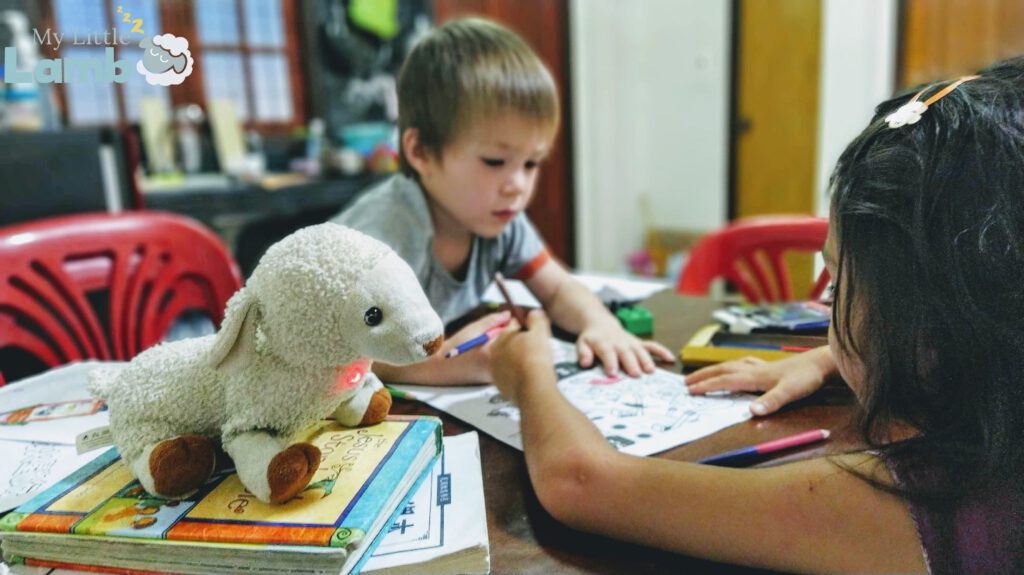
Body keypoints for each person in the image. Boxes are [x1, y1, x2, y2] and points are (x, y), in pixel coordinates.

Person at [490, 59, 1024, 573]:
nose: (826, 309)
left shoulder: (934, 502)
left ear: (926, 330)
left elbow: (582, 483)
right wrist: (826, 359)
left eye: (836, 284)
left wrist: (529, 374)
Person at [333, 18, 674, 385]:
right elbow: (339, 351)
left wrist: (601, 324)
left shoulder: (497, 218)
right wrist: (438, 366)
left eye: (531, 163)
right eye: (495, 161)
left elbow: (558, 289)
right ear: (422, 152)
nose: (518, 186)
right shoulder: (382, 240)